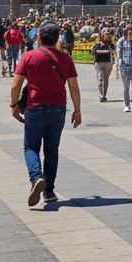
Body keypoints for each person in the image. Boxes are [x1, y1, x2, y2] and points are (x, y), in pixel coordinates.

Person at [10, 21, 81, 205]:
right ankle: (49, 191)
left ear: (38, 38)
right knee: (51, 150)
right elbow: (73, 87)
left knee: (31, 147)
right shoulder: (66, 59)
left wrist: (14, 105)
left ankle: (36, 178)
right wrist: (77, 111)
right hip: (58, 109)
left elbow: (16, 85)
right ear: (58, 39)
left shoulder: (29, 56)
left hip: (35, 107)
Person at [91, 31, 115, 102]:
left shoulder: (109, 44)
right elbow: (93, 51)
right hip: (99, 63)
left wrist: (104, 51)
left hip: (108, 63)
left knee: (106, 79)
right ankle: (100, 95)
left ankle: (104, 94)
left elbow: (112, 51)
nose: (107, 36)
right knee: (100, 79)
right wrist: (104, 51)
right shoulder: (96, 44)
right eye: (106, 35)